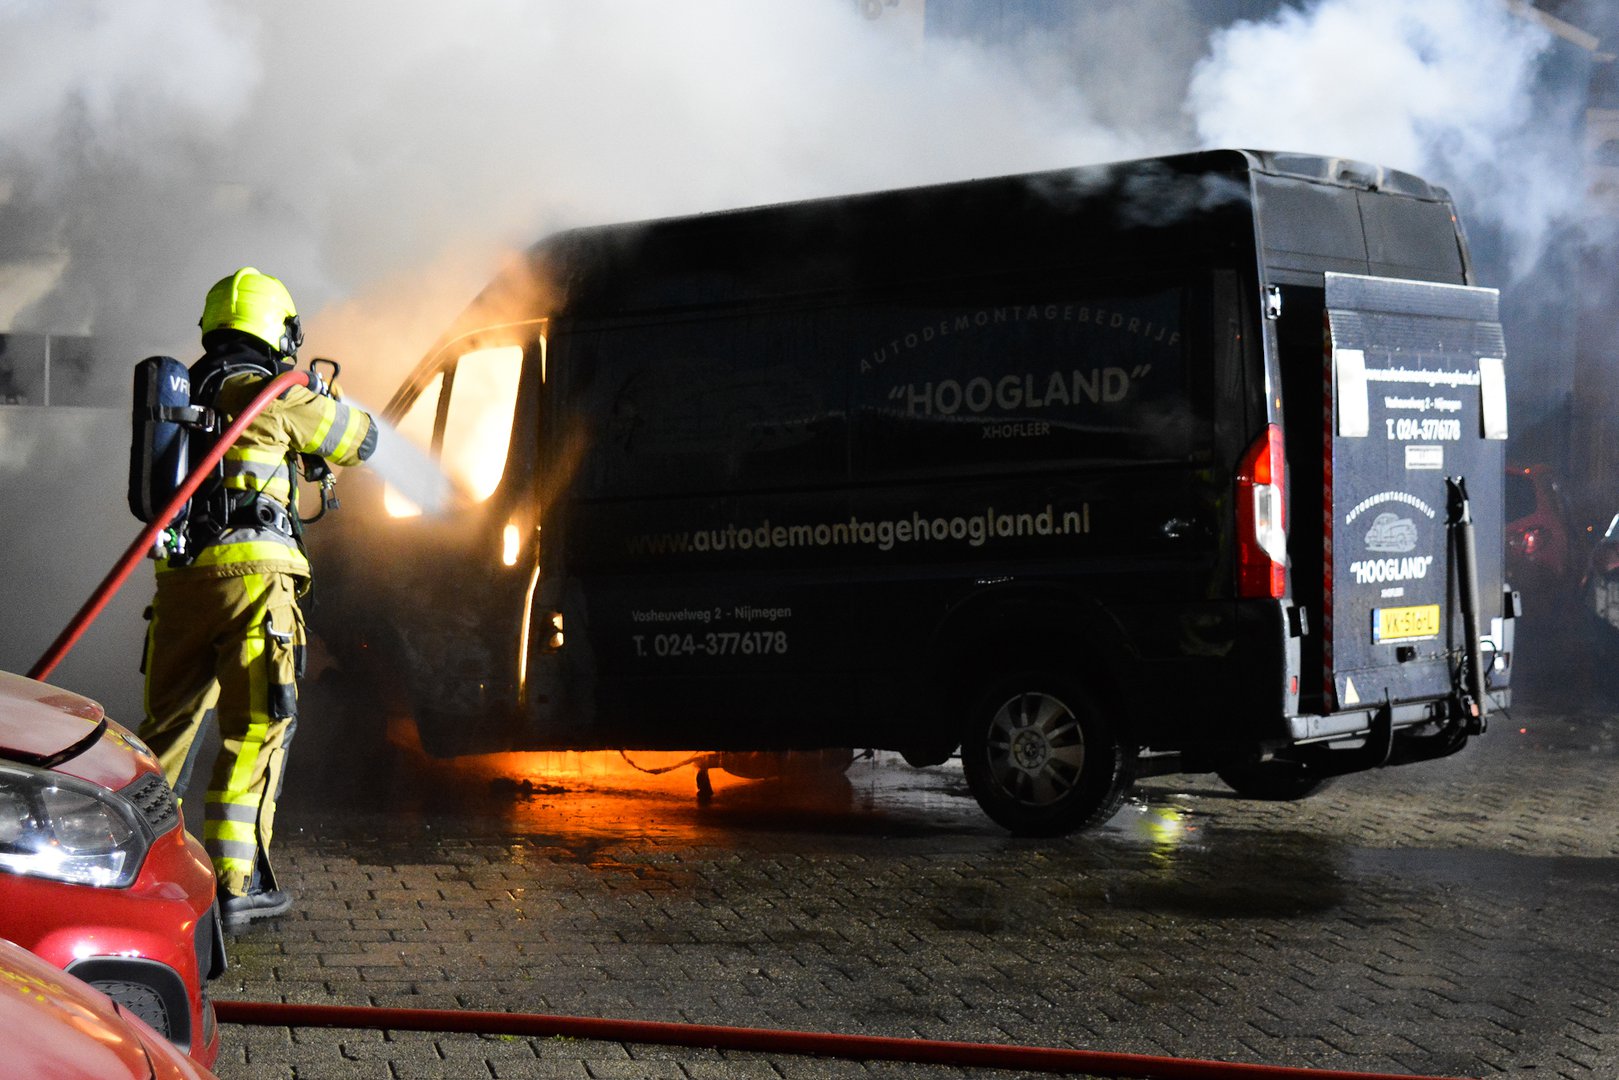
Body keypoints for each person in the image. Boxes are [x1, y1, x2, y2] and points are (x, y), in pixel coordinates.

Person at [139, 267, 377, 928]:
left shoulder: (183, 395)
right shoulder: (271, 392)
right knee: (256, 727)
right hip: (254, 583)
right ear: (277, 330)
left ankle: (129, 869)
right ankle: (235, 883)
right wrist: (325, 396)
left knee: (166, 735)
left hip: (181, 584)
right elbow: (362, 440)